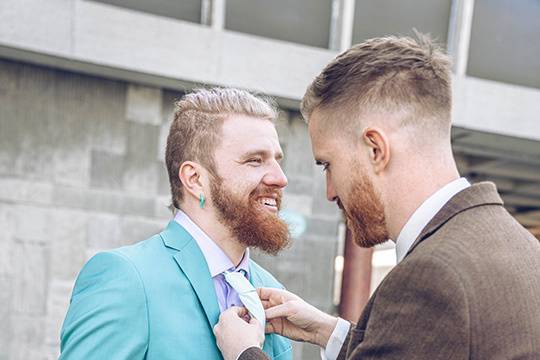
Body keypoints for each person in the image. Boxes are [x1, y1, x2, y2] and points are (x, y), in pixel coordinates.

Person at [213, 34, 540, 360]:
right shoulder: (520, 247)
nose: (330, 192)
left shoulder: (431, 276)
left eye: (328, 164)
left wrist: (245, 352)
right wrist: (330, 332)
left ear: (375, 149)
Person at [60, 88, 292, 359]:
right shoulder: (126, 279)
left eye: (277, 160)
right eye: (255, 160)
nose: (280, 178)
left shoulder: (273, 293)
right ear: (194, 179)